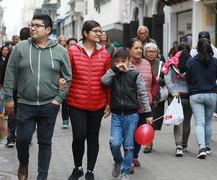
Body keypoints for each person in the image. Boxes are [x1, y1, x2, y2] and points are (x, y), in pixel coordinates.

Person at [3, 14, 72, 180]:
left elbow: (68, 77)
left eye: (37, 25)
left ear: (48, 30)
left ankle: (42, 176)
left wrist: (58, 99)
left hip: (50, 104)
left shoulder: (60, 51)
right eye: (31, 25)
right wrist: (9, 98)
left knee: (45, 142)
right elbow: (10, 73)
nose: (32, 28)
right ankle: (24, 163)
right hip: (25, 104)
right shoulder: (20, 48)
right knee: (23, 140)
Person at [66, 20, 111, 180]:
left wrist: (109, 103)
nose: (100, 34)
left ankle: (90, 170)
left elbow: (108, 80)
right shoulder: (72, 51)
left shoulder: (104, 54)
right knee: (78, 136)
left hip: (97, 103)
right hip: (76, 102)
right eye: (96, 31)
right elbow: (65, 75)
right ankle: (78, 167)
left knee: (93, 137)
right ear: (85, 33)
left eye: (101, 31)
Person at [102, 47, 152, 180]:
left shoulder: (135, 74)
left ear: (129, 61)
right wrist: (114, 70)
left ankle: (125, 171)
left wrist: (148, 113)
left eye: (123, 61)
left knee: (129, 145)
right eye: (117, 61)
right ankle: (118, 160)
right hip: (116, 115)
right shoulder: (113, 74)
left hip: (132, 116)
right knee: (114, 143)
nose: (120, 64)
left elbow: (143, 94)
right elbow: (103, 81)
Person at [186, 38, 217, 159]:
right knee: (208, 122)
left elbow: (188, 79)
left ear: (198, 48)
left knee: (199, 123)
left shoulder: (191, 62)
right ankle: (208, 146)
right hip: (211, 94)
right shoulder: (215, 61)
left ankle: (202, 147)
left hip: (195, 94)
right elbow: (215, 76)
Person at [128, 38, 156, 173]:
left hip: (145, 106)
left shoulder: (146, 64)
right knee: (129, 135)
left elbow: (154, 82)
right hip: (130, 106)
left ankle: (134, 156)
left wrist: (154, 94)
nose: (139, 50)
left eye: (140, 48)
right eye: (136, 48)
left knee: (140, 134)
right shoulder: (125, 64)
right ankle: (128, 159)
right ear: (129, 50)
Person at [163, 42, 193, 157]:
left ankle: (178, 145)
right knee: (187, 121)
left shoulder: (171, 62)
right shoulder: (192, 62)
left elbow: (167, 78)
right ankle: (185, 144)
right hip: (189, 96)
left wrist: (172, 91)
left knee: (178, 121)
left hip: (175, 96)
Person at [143, 42, 166, 153]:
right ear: (145, 53)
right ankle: (147, 141)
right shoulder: (141, 63)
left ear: (157, 53)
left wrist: (159, 80)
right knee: (144, 120)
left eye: (154, 51)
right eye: (149, 51)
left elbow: (167, 79)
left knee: (153, 120)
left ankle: (149, 142)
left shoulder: (161, 63)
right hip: (142, 95)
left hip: (157, 97)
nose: (151, 53)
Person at [57, 35, 70, 129]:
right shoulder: (56, 51)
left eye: (64, 40)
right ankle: (64, 120)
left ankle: (66, 120)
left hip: (67, 78)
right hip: (57, 78)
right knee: (61, 100)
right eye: (61, 40)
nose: (63, 42)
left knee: (66, 100)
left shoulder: (68, 52)